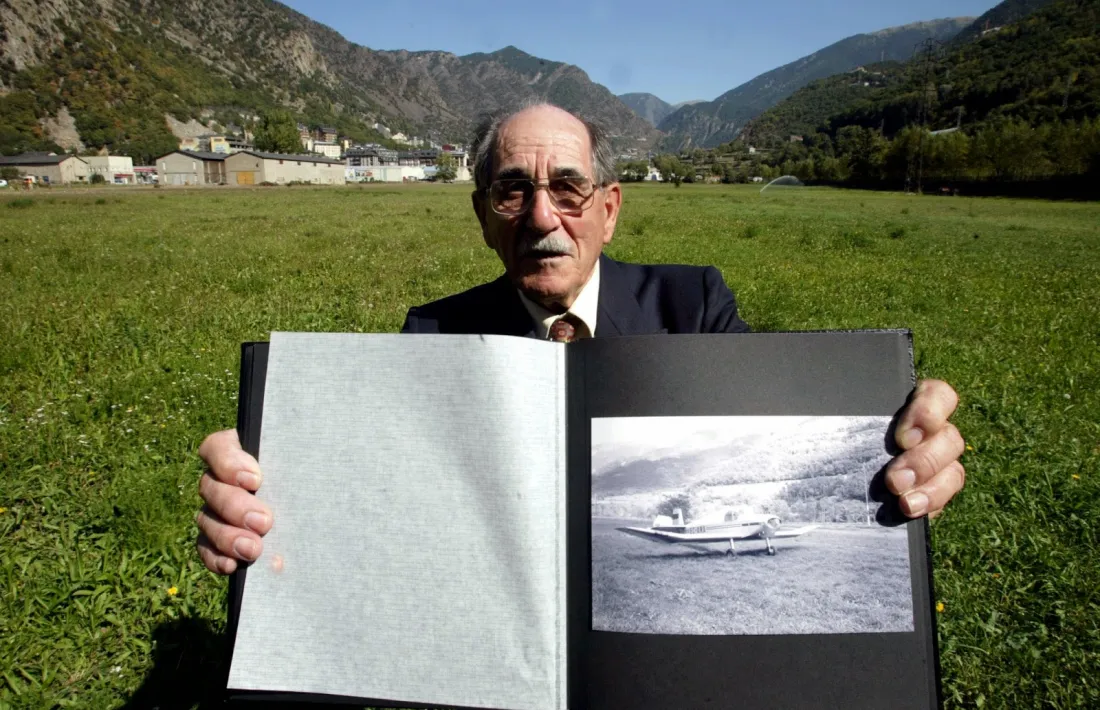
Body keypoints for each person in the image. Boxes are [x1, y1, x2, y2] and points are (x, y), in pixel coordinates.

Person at [196, 103, 966, 575]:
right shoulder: (431, 334)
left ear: (609, 209)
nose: (541, 217)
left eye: (568, 188)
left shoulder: (693, 304)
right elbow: (378, 498)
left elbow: (769, 418)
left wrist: (891, 440)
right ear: (482, 218)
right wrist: (274, 487)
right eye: (512, 190)